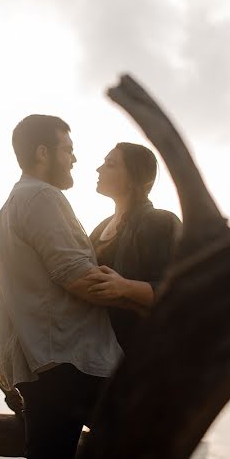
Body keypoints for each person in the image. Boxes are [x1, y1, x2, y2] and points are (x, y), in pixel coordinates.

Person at [0, 115, 140, 459]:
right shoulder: (43, 197)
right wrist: (142, 294)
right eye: (68, 149)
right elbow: (76, 276)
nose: (75, 159)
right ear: (43, 153)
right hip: (73, 362)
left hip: (44, 361)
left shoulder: (11, 205)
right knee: (148, 446)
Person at [88, 142, 181, 352]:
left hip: (145, 353)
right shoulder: (99, 227)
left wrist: (125, 286)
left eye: (110, 164)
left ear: (132, 178)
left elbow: (179, 291)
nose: (99, 169)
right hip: (101, 351)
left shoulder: (160, 222)